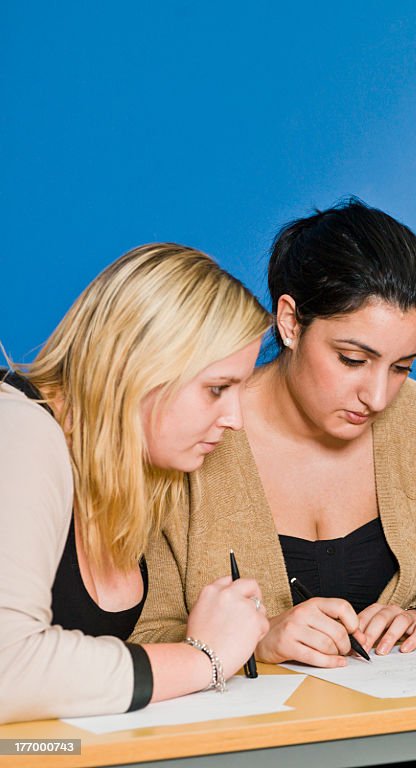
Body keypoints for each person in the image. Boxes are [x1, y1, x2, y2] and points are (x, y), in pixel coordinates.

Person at [132, 200, 416, 666]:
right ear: (290, 322)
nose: (378, 396)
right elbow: (137, 633)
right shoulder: (196, 433)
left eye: (402, 367)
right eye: (352, 360)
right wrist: (259, 642)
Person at [0, 244, 271, 724]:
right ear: (138, 366)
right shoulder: (18, 430)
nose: (235, 419)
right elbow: (8, 670)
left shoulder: (130, 469)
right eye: (216, 389)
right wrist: (204, 658)